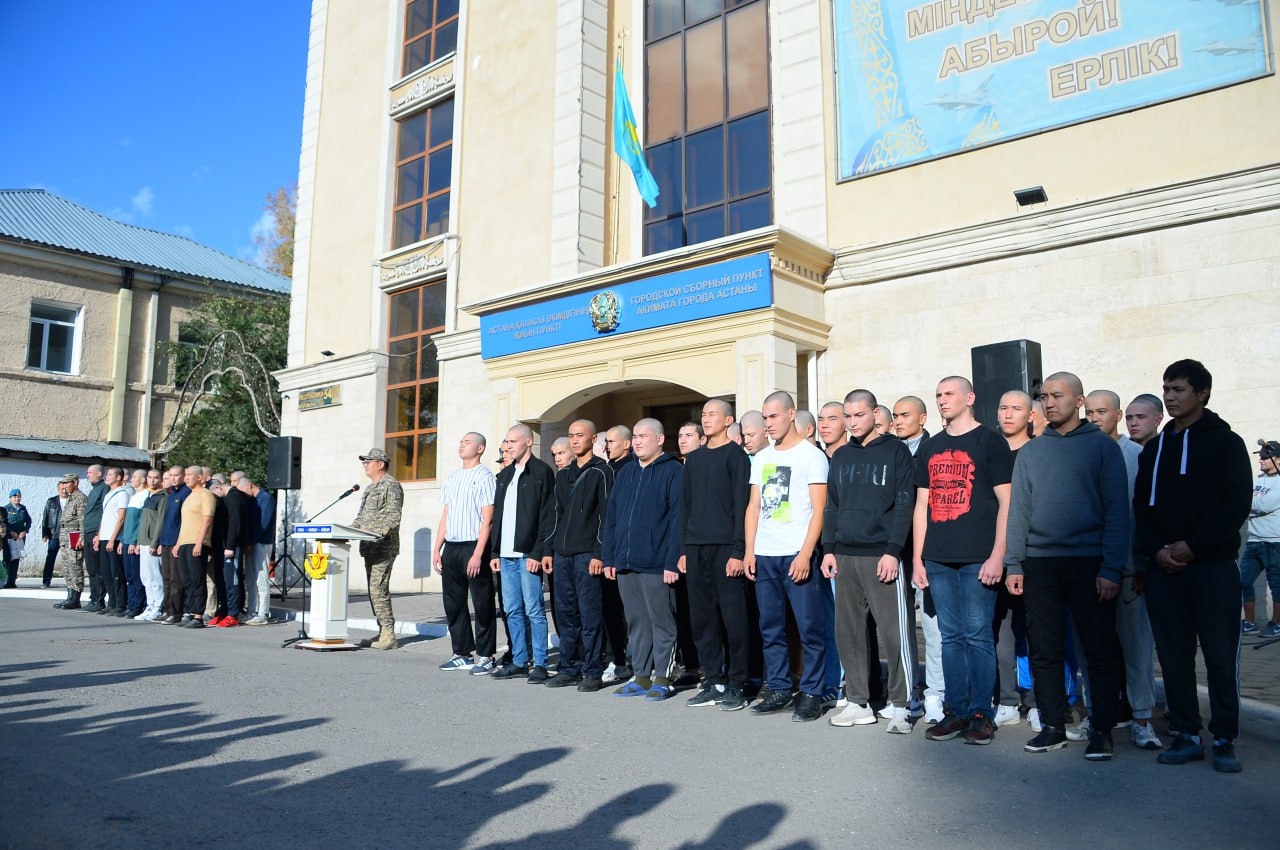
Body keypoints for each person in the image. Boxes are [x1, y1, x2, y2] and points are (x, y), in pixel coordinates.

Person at [1134, 360, 1252, 772]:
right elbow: (1141, 510)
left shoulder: (1226, 443)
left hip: (1212, 568)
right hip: (1163, 569)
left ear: (1202, 394)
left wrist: (1193, 547)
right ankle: (1185, 733)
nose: (1170, 396)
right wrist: (1156, 551)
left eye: (1179, 389)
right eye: (1166, 388)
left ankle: (1224, 737)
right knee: (1174, 656)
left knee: (1220, 657)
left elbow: (1235, 503)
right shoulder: (1155, 449)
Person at [1006, 373, 1128, 760]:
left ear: (1078, 401)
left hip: (1089, 561)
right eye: (1044, 397)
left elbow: (1117, 510)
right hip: (1039, 563)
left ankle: (1102, 729)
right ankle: (1053, 726)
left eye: (1058, 396)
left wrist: (1111, 568)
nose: (1049, 403)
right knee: (1044, 648)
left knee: (1098, 648)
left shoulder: (1102, 448)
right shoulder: (1031, 452)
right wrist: (1014, 563)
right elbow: (1019, 511)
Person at [914, 376, 1013, 745]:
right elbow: (921, 506)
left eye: (949, 394)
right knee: (950, 638)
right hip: (938, 559)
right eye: (937, 394)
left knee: (978, 636)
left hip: (978, 559)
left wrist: (998, 555)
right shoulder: (932, 447)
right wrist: (919, 559)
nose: (941, 400)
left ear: (969, 398)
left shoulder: (990, 441)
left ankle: (980, 714)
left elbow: (1007, 502)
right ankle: (955, 712)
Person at [821, 390, 916, 733]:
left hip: (882, 555)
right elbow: (832, 505)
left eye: (858, 415)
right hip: (845, 554)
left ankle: (903, 704)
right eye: (847, 416)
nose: (851, 422)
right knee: (848, 633)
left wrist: (893, 550)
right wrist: (828, 548)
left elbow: (906, 504)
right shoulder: (842, 456)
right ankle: (858, 702)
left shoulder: (896, 451)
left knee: (895, 633)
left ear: (875, 414)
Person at [1082, 388, 1162, 750]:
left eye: (1103, 411)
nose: (1095, 417)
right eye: (1090, 412)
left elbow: (1144, 515)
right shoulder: (1081, 453)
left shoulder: (1139, 456)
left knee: (1136, 650)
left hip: (1130, 571)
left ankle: (1142, 718)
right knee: (1093, 651)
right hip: (1087, 569)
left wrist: (1143, 562)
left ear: (1116, 415)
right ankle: (1097, 714)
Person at [745, 390, 830, 722]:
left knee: (810, 628)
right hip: (765, 554)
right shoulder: (762, 458)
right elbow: (753, 507)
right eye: (765, 417)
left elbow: (820, 509)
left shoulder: (812, 456)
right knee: (771, 628)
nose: (769, 424)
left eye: (774, 416)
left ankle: (812, 692)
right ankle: (779, 687)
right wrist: (751, 550)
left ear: (792, 414)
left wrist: (805, 554)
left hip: (796, 553)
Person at [602, 418, 683, 700]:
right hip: (625, 562)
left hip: (657, 563)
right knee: (636, 622)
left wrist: (672, 561)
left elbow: (677, 520)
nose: (637, 441)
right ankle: (641, 676)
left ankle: (663, 676)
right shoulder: (625, 473)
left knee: (661, 620)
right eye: (634, 436)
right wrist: (609, 557)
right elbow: (611, 518)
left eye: (643, 436)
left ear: (660, 440)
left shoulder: (673, 471)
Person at [680, 399, 752, 711]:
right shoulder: (694, 459)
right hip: (696, 549)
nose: (706, 420)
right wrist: (683, 549)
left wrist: (739, 550)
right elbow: (686, 506)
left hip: (726, 549)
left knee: (733, 619)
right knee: (702, 619)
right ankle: (712, 679)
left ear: (727, 420)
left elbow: (742, 507)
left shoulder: (736, 456)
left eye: (712, 415)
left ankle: (738, 683)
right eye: (704, 415)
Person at [543, 419, 614, 691]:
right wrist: (549, 550)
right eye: (571, 435)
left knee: (590, 615)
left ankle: (592, 671)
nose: (574, 440)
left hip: (587, 555)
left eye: (579, 435)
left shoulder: (602, 472)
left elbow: (607, 517)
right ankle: (568, 667)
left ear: (593, 438)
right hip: (562, 555)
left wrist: (600, 552)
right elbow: (555, 516)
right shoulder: (562, 475)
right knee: (564, 614)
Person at [489, 424, 556, 682]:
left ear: (528, 442)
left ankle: (539, 663)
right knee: (512, 610)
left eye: (513, 441)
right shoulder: (505, 475)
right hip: (505, 556)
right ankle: (519, 660)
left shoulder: (541, 472)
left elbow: (547, 516)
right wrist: (495, 552)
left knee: (534, 610)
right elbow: (499, 517)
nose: (509, 446)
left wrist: (539, 552)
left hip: (528, 553)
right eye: (506, 441)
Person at [434, 433, 499, 672]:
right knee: (453, 603)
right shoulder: (453, 477)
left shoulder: (485, 476)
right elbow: (446, 515)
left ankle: (486, 655)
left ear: (480, 448)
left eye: (468, 441)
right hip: (451, 547)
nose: (462, 444)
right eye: (460, 441)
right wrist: (437, 548)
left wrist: (478, 553)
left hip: (474, 546)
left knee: (482, 604)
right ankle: (461, 652)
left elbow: (488, 520)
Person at [993, 389, 1036, 728]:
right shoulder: (989, 449)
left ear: (1030, 415)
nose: (1008, 414)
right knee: (1001, 634)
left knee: (1036, 632)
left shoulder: (1036, 451)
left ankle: (1038, 700)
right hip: (994, 557)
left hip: (1031, 557)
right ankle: (1007, 699)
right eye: (1003, 408)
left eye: (1016, 408)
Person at [893, 394, 937, 720]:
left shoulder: (933, 450)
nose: (898, 420)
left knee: (933, 629)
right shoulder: (891, 452)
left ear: (922, 418)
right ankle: (909, 693)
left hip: (928, 549)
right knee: (901, 625)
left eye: (904, 414)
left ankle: (937, 694)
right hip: (896, 550)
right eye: (895, 415)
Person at [353, 447, 405, 650]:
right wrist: (349, 531)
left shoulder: (390, 485)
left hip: (383, 546)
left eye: (368, 461)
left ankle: (389, 635)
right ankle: (382, 631)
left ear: (380, 464)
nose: (365, 464)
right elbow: (361, 518)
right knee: (373, 590)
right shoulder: (369, 488)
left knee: (378, 589)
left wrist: (375, 532)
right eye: (364, 461)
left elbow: (394, 517)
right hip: (368, 546)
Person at [601, 424, 636, 683]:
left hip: (631, 552)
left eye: (612, 441)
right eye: (606, 442)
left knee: (633, 612)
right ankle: (617, 660)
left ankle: (640, 663)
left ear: (627, 443)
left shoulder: (634, 470)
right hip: (608, 551)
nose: (607, 446)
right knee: (610, 610)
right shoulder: (604, 470)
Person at [1241, 440, 1280, 636]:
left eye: (1266, 456)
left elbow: (1262, 505)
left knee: (1276, 585)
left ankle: (1276, 623)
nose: (1261, 460)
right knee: (1243, 581)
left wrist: (1248, 502)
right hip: (1254, 540)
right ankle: (1249, 623)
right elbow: (1246, 499)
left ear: (1278, 460)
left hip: (1274, 541)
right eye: (1261, 456)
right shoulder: (1258, 479)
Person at [176, 466, 216, 628]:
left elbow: (207, 520)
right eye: (185, 475)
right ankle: (191, 612)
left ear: (200, 477)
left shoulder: (206, 495)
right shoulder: (189, 496)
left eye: (190, 475)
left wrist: (200, 542)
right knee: (187, 580)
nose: (186, 478)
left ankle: (199, 615)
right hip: (185, 542)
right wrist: (178, 543)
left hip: (197, 542)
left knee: (197, 579)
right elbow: (184, 523)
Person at [237, 475, 276, 625]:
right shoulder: (252, 500)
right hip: (251, 543)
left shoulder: (266, 499)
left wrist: (251, 541)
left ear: (249, 485)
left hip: (261, 543)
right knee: (251, 579)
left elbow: (263, 523)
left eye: (243, 491)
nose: (243, 495)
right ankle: (251, 611)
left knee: (261, 578)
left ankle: (263, 613)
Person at [220, 470, 257, 626]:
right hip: (230, 545)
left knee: (232, 579)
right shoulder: (233, 497)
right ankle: (227, 611)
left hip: (232, 547)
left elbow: (236, 524)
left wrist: (230, 546)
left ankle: (233, 614)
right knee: (228, 579)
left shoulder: (233, 498)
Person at [156, 465, 190, 623]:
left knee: (176, 579)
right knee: (166, 578)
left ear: (183, 476)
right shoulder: (170, 495)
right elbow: (165, 521)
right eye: (171, 475)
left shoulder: (185, 493)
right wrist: (160, 541)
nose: (173, 478)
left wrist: (179, 542)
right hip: (166, 541)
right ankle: (167, 609)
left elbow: (185, 522)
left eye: (177, 475)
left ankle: (176, 613)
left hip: (177, 542)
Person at [96, 467, 131, 615]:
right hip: (104, 537)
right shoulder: (109, 493)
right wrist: (99, 535)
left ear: (118, 477)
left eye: (110, 474)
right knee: (106, 572)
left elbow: (121, 518)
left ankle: (120, 603)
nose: (107, 476)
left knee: (117, 573)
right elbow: (105, 518)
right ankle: (111, 602)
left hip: (114, 538)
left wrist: (112, 539)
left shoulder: (122, 493)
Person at [52, 473, 88, 610]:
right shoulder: (70, 498)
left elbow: (82, 519)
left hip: (74, 535)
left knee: (75, 566)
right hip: (65, 537)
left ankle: (75, 598)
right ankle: (69, 596)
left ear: (76, 483)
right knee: (67, 568)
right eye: (63, 483)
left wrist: (82, 537)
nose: (65, 486)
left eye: (68, 483)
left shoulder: (81, 498)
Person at [137, 468, 167, 621]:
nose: (152, 480)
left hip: (152, 542)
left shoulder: (163, 497)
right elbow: (143, 522)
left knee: (155, 577)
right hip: (143, 541)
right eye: (150, 477)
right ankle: (150, 604)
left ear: (161, 480)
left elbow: (161, 521)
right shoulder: (149, 497)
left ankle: (158, 606)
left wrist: (155, 542)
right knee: (146, 577)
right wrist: (138, 542)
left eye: (156, 478)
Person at [119, 470, 149, 618]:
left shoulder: (145, 496)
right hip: (126, 541)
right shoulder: (134, 496)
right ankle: (131, 605)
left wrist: (134, 541)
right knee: (129, 576)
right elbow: (129, 523)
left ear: (143, 480)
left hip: (134, 542)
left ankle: (138, 605)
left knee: (137, 577)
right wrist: (123, 540)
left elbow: (141, 523)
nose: (132, 479)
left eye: (135, 477)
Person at [81, 464, 108, 611]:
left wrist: (99, 533)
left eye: (90, 472)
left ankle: (99, 600)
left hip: (95, 532)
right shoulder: (93, 490)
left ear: (99, 474)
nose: (87, 475)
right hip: (88, 531)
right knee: (91, 569)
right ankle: (93, 598)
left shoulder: (103, 488)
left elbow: (105, 512)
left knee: (98, 569)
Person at [3, 488, 32, 588]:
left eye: (18, 496)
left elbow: (28, 521)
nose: (17, 498)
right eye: (15, 497)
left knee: (16, 558)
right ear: (10, 498)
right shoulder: (6, 509)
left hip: (19, 538)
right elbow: (3, 523)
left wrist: (25, 531)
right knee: (8, 559)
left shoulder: (23, 509)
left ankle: (12, 581)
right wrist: (10, 532)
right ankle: (6, 580)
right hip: (9, 538)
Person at [41, 483, 66, 588]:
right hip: (54, 534)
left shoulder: (73, 501)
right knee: (50, 557)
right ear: (57, 489)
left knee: (69, 559)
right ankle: (46, 581)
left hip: (68, 535)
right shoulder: (51, 501)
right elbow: (45, 517)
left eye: (65, 488)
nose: (64, 491)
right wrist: (45, 533)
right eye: (61, 489)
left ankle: (71, 582)